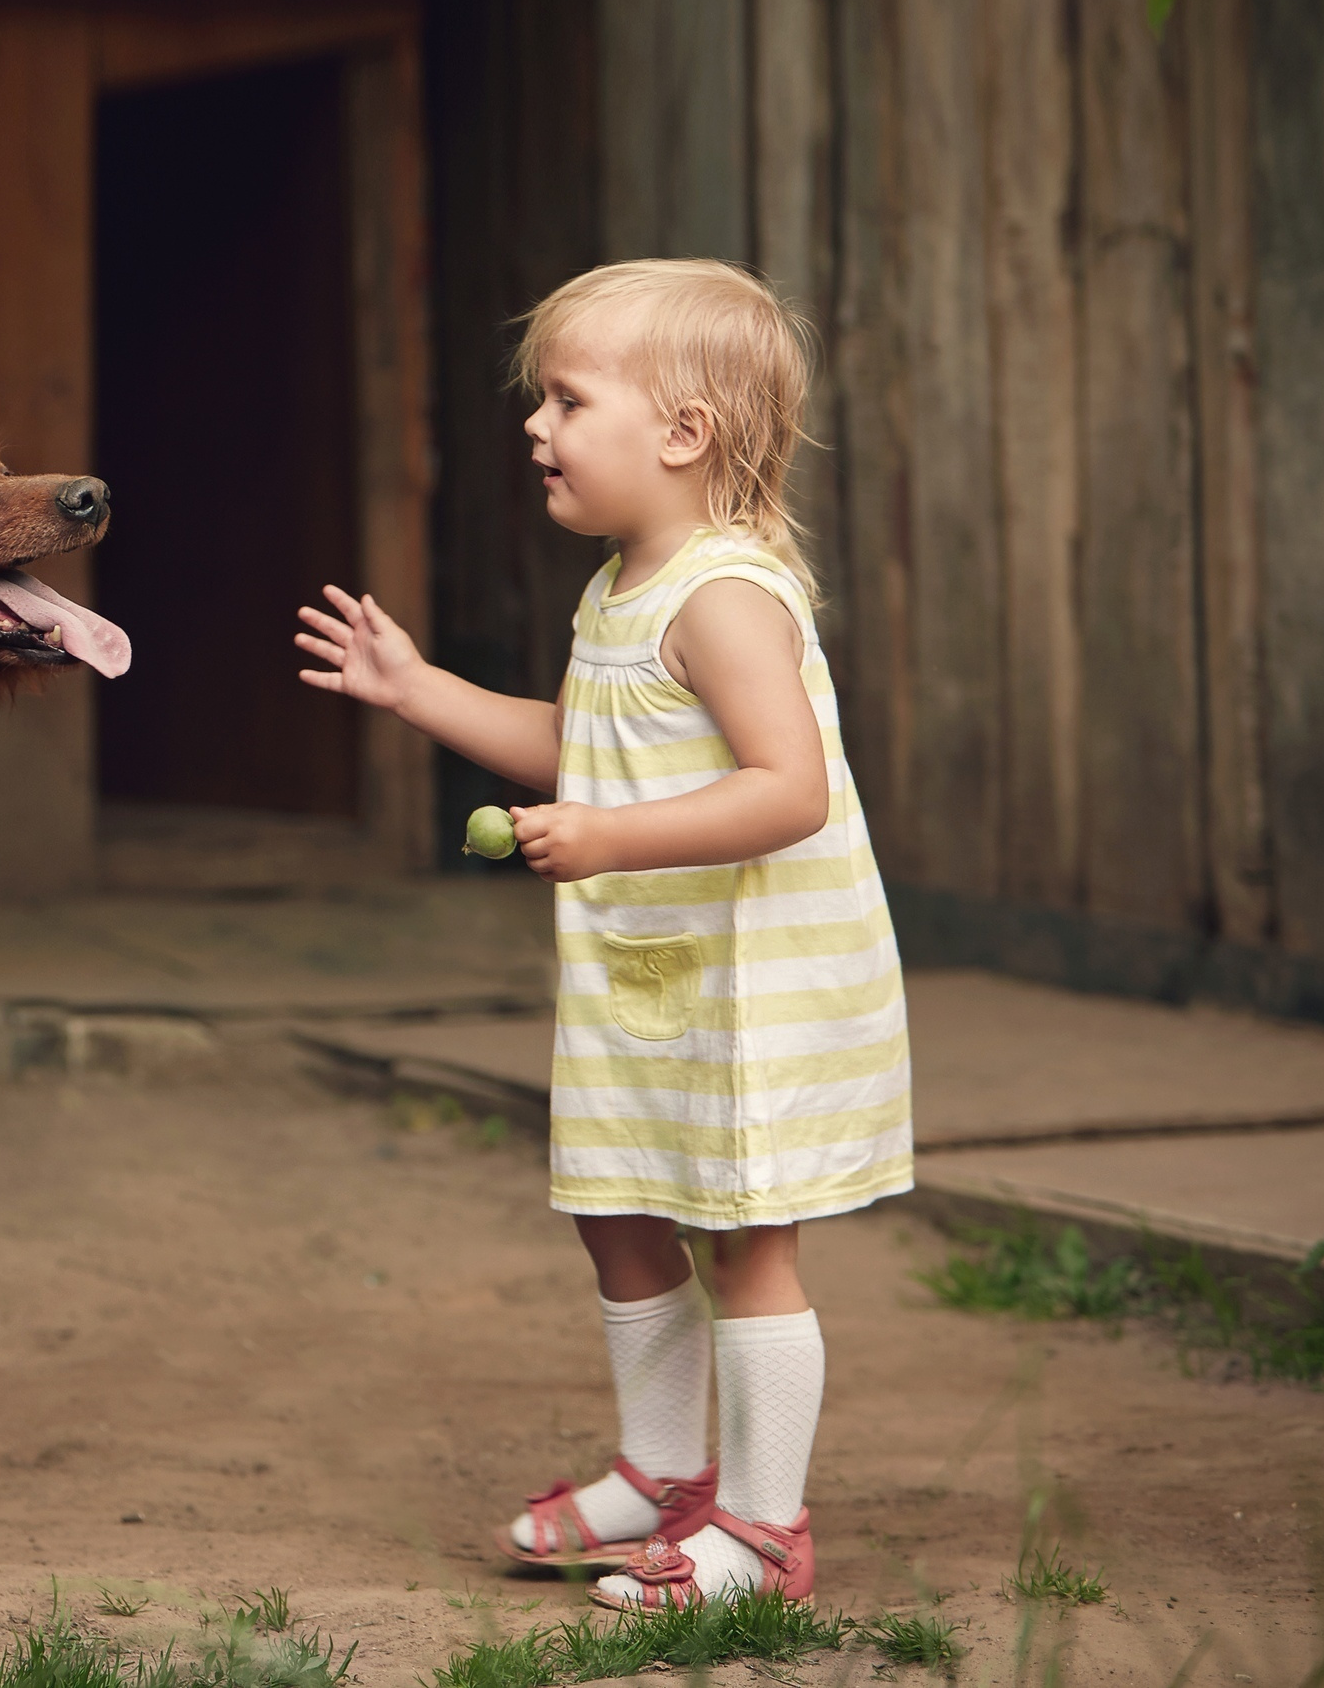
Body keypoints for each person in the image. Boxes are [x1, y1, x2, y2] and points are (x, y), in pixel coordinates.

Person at [291, 258, 910, 1612]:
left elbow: (786, 790)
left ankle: (761, 1533)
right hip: (658, 981)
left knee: (749, 1242)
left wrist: (609, 837)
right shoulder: (625, 588)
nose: (535, 427)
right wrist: (420, 691)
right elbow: (602, 746)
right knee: (616, 1211)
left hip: (759, 989)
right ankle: (666, 1475)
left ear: (681, 434)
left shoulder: (726, 595)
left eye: (567, 400)